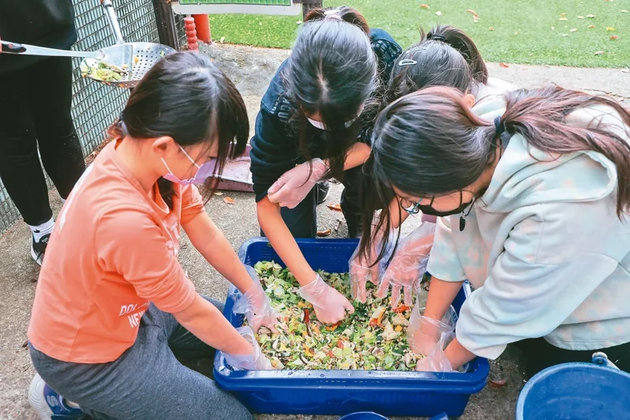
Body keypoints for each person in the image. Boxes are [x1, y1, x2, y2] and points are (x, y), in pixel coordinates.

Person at [27, 52, 277, 420]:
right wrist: (250, 356)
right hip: (87, 360)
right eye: (207, 156)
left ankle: (141, 379)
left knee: (233, 327)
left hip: (133, 311)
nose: (208, 167)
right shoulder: (124, 218)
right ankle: (76, 398)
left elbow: (202, 228)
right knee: (232, 414)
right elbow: (190, 310)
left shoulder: (152, 163)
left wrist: (254, 292)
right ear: (164, 145)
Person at [362, 85, 630, 377]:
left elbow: (504, 309)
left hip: (604, 317)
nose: (412, 208)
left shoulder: (558, 208)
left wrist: (440, 363)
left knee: (552, 377)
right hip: (543, 279)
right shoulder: (471, 138)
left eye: (416, 203)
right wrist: (430, 323)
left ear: (446, 180)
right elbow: (455, 230)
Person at [250, 6, 402, 325]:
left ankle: (357, 210)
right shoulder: (278, 107)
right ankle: (311, 193)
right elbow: (266, 205)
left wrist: (319, 168)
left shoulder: (385, 59)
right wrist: (315, 288)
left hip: (362, 152)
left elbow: (391, 139)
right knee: (287, 241)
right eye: (317, 120)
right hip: (299, 157)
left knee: (378, 185)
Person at [351, 25, 518, 305]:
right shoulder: (444, 116)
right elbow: (414, 189)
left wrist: (422, 245)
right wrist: (376, 239)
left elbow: (465, 224)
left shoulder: (489, 132)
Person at [0, 0, 86, 265]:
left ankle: (84, 215)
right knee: (13, 142)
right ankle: (43, 231)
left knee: (59, 127)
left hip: (50, 23)